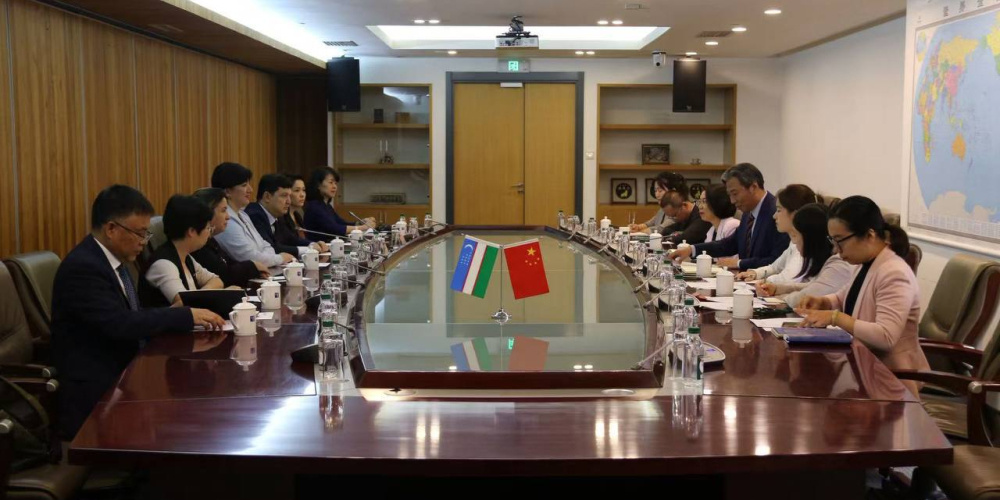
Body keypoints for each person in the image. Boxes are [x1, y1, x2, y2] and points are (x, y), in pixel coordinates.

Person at [51, 185, 225, 439]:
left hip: (123, 367)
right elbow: (119, 323)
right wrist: (183, 315)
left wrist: (175, 313)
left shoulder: (111, 261)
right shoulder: (84, 267)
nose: (144, 242)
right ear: (111, 229)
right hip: (98, 383)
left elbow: (130, 313)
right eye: (140, 233)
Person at [796, 196, 929, 396]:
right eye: (832, 241)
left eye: (840, 241)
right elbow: (845, 297)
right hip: (864, 371)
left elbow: (886, 336)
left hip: (891, 381)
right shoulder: (865, 263)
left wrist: (835, 317)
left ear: (869, 235)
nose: (836, 250)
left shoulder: (894, 273)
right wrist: (824, 302)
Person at [671, 163, 789, 270]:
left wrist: (739, 263)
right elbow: (730, 244)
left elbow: (778, 261)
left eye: (735, 194)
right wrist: (691, 249)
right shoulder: (748, 211)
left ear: (753, 187)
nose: (732, 201)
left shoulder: (776, 212)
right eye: (729, 195)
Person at [756, 204, 856, 307]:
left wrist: (775, 300)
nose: (794, 242)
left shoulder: (839, 265)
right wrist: (778, 289)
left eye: (795, 235)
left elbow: (808, 296)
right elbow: (813, 286)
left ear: (810, 238)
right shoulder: (827, 260)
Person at [143, 195, 228, 307]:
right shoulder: (163, 264)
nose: (209, 233)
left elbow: (217, 280)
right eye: (208, 228)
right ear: (191, 231)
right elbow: (184, 303)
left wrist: (201, 295)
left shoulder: (186, 257)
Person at [210, 162, 295, 267]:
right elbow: (248, 256)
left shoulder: (243, 215)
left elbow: (265, 245)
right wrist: (280, 258)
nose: (250, 190)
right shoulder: (226, 221)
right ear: (227, 191)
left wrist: (271, 258)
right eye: (244, 185)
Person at [736, 184, 817, 284]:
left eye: (779, 210)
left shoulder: (804, 245)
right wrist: (755, 273)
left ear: (795, 215)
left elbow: (787, 279)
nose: (774, 216)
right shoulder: (793, 243)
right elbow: (775, 267)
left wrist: (762, 281)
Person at [191, 187, 268, 288]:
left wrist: (254, 269)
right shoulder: (198, 246)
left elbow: (228, 264)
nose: (228, 217)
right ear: (208, 214)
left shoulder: (211, 240)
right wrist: (253, 266)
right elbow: (224, 275)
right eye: (223, 211)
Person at [244, 173, 328, 257]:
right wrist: (308, 249)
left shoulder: (277, 216)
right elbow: (272, 248)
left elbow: (290, 239)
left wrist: (312, 244)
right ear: (267, 197)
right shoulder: (254, 215)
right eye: (284, 196)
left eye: (289, 196)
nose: (289, 201)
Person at [302, 166, 374, 240]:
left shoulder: (326, 206)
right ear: (318, 185)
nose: (334, 187)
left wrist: (360, 222)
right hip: (320, 246)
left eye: (335, 183)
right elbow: (335, 229)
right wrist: (362, 228)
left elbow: (341, 223)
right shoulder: (314, 206)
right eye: (331, 182)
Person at [288, 174, 307, 238]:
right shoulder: (282, 217)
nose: (302, 195)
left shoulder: (297, 215)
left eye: (303, 190)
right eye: (297, 190)